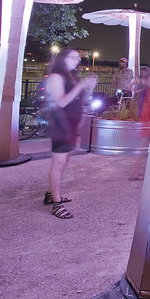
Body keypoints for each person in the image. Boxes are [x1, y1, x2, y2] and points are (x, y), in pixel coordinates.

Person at [44, 48, 97, 219]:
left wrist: (89, 88)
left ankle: (51, 194)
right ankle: (56, 204)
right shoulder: (56, 77)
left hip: (71, 124)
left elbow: (78, 100)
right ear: (63, 58)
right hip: (60, 124)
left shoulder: (70, 77)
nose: (78, 60)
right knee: (59, 162)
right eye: (74, 57)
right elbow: (61, 102)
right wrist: (82, 84)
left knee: (64, 161)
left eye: (78, 57)